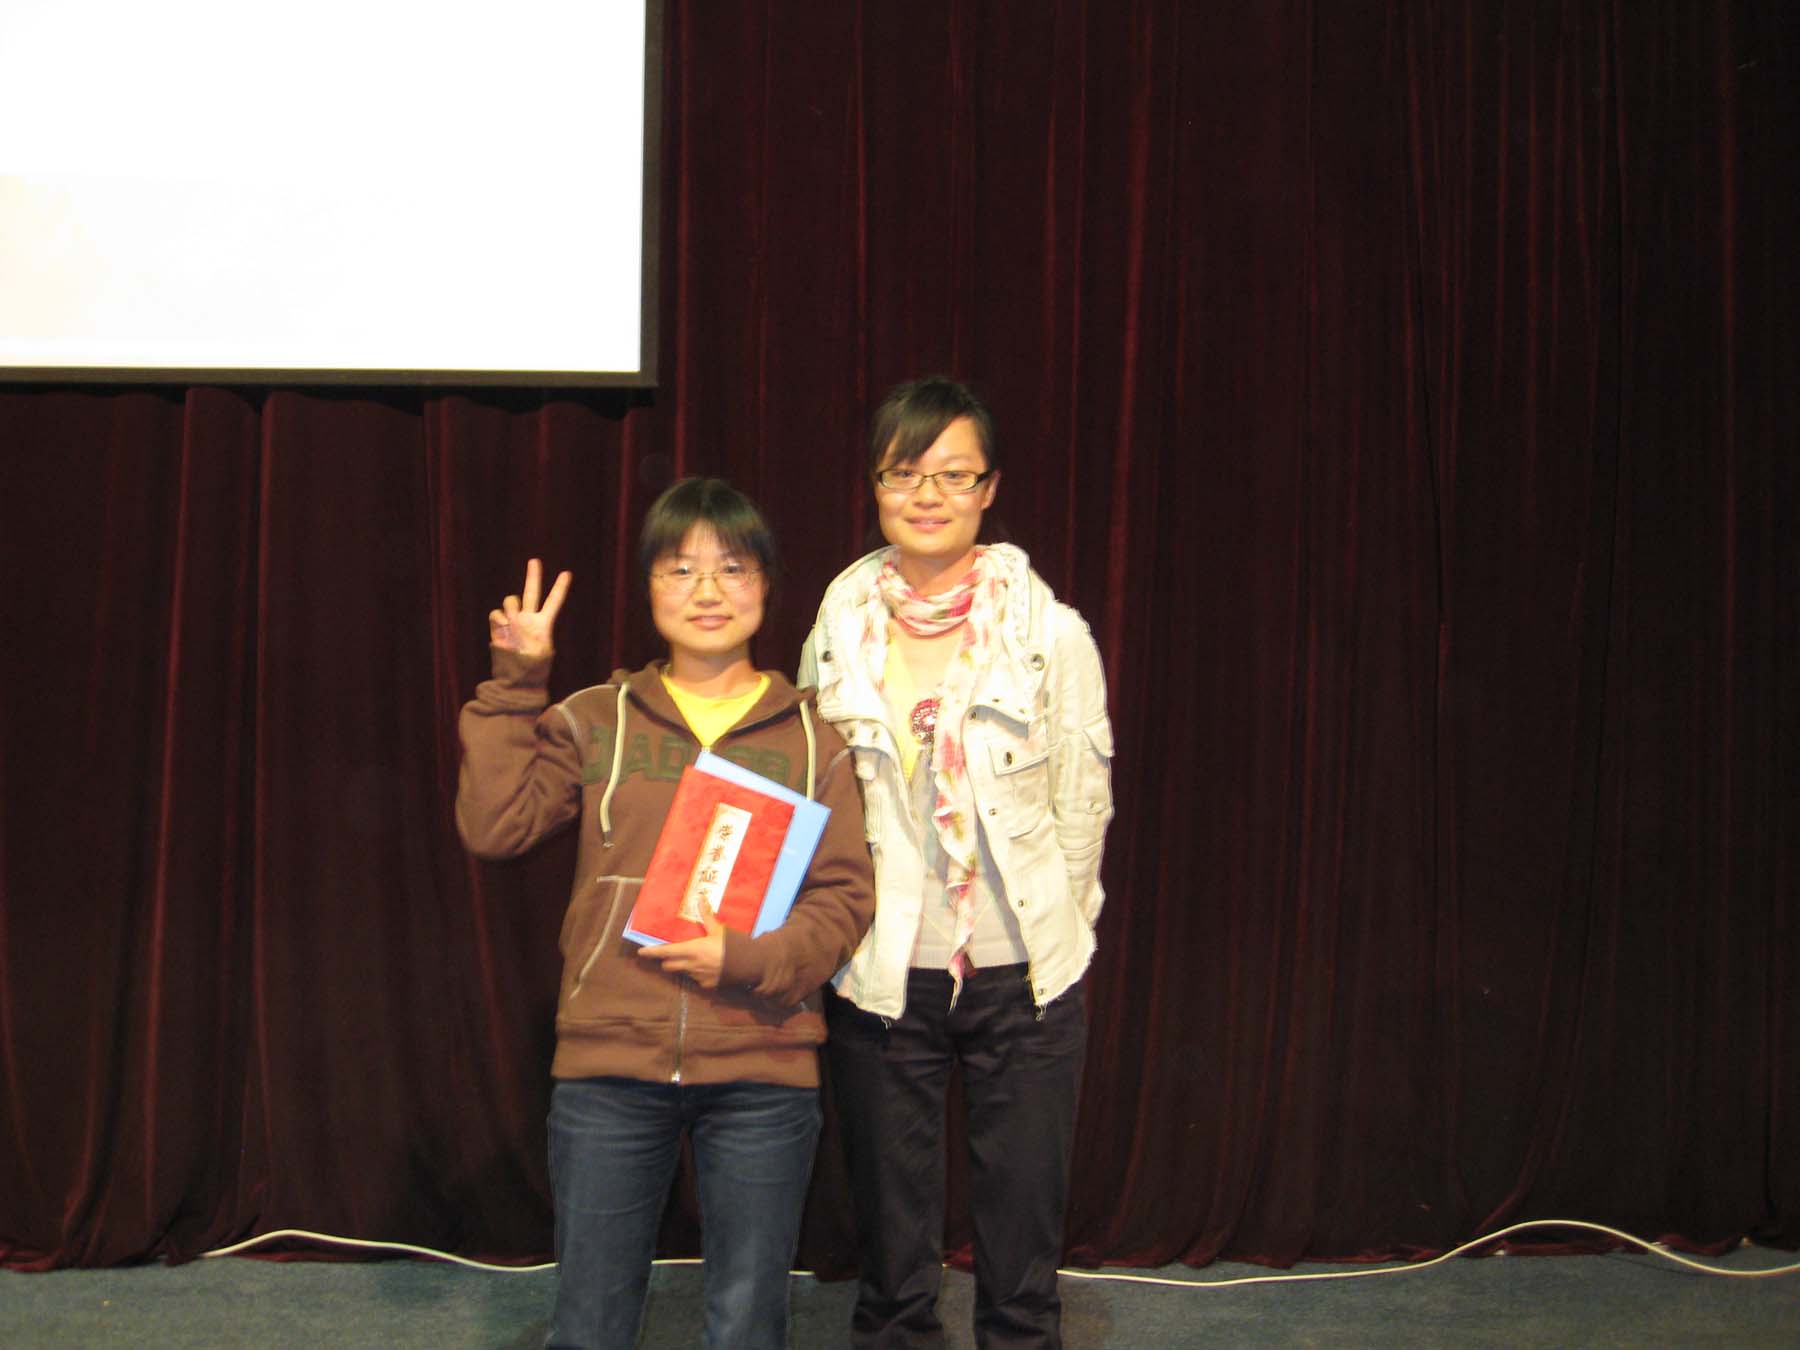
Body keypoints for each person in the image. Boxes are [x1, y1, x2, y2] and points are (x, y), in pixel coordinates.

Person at [457, 477, 876, 1350]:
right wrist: (516, 685)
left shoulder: (814, 740)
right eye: (680, 569)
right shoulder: (594, 718)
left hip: (763, 1067)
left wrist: (745, 959)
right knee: (591, 1322)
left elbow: (843, 899)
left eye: (733, 567)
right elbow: (495, 828)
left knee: (747, 1325)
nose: (708, 590)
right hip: (610, 1065)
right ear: (648, 587)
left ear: (767, 585)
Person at [798, 377, 1115, 1348]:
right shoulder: (837, 629)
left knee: (1021, 1253)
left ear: (990, 489)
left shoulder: (1050, 634)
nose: (927, 495)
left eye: (953, 474)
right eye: (904, 472)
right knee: (892, 1253)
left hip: (1024, 974)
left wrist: (1060, 933)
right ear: (875, 484)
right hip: (883, 971)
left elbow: (1082, 806)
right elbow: (813, 795)